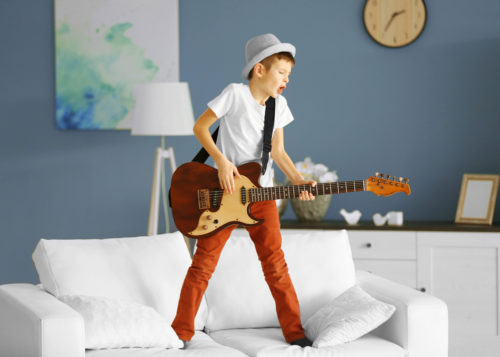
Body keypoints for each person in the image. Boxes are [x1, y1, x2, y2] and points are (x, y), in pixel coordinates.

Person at [172, 33, 316, 348]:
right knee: (203, 264)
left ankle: (295, 333)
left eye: (289, 75)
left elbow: (278, 152)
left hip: (262, 196)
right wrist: (221, 162)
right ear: (259, 70)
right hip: (223, 195)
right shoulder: (234, 95)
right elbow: (200, 127)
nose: (286, 80)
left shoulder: (279, 105)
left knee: (275, 265)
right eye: (281, 72)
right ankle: (180, 332)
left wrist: (297, 180)